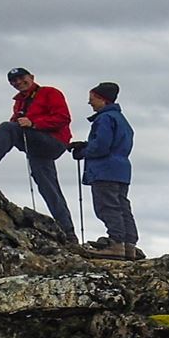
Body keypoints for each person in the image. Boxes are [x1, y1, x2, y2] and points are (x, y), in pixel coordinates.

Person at [0, 67, 77, 241]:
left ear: (32, 77)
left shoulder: (50, 93)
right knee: (48, 187)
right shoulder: (20, 102)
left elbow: (63, 118)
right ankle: (68, 232)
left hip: (53, 142)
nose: (18, 82)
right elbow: (9, 131)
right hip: (37, 147)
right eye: (14, 81)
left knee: (8, 127)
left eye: (22, 78)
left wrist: (34, 122)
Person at [71, 82, 139, 260]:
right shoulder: (121, 119)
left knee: (107, 206)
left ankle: (116, 244)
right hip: (121, 169)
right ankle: (129, 246)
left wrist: (83, 151)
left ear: (102, 99)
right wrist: (87, 146)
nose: (90, 103)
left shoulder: (104, 118)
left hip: (104, 170)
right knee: (122, 206)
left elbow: (101, 146)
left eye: (92, 99)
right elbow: (114, 143)